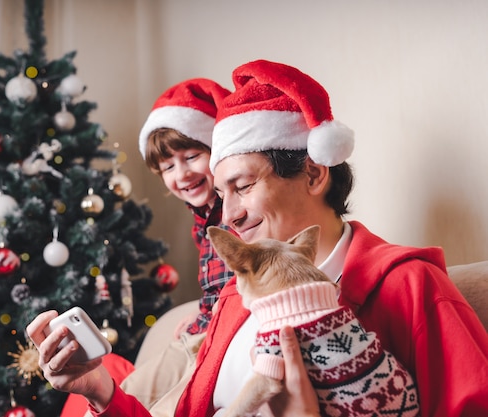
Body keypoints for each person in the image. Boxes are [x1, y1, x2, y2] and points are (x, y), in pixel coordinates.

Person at [28, 59, 488, 416]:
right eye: (221, 191)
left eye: (243, 186)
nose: (229, 214)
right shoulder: (234, 300)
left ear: (312, 172)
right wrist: (100, 391)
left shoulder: (410, 286)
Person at [57, 77, 236, 417]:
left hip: (217, 342)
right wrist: (200, 317)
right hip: (199, 334)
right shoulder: (202, 218)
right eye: (168, 166)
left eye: (192, 156)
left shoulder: (235, 211)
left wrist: (209, 324)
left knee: (164, 408)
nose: (181, 174)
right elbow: (216, 290)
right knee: (120, 396)